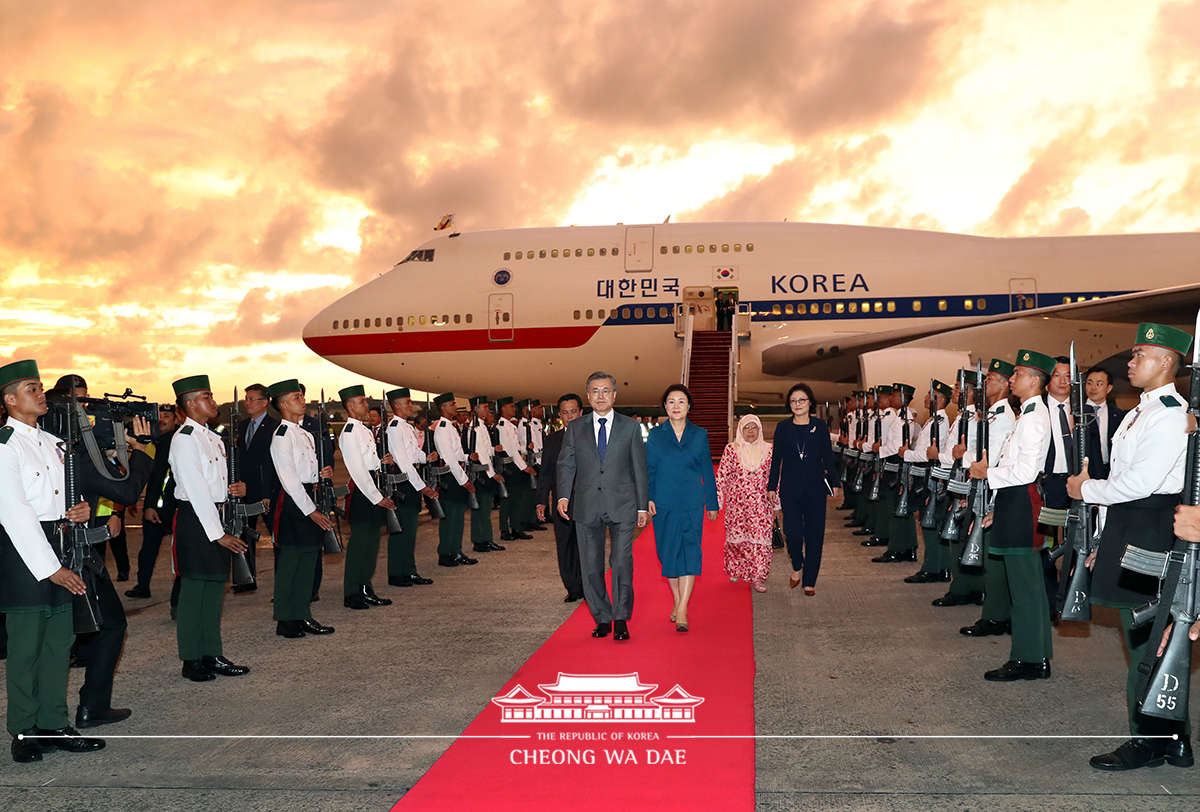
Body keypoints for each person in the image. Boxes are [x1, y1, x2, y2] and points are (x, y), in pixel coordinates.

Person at [1067, 323, 1194, 771]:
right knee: (1148, 637)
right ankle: (1176, 740)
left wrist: (1087, 490)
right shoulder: (1143, 410)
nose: (1130, 361)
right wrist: (1104, 535)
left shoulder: (1168, 414)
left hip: (1152, 527)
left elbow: (1141, 483)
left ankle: (1148, 740)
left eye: (1141, 354)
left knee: (1148, 642)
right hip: (1130, 526)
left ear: (1166, 363)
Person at [1, 360, 105, 761]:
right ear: (10, 400)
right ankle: (24, 730)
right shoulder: (5, 444)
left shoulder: (52, 441)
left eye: (41, 387)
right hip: (24, 553)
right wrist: (53, 569)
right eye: (32, 388)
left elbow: (62, 495)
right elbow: (15, 513)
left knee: (60, 643)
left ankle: (53, 722)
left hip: (60, 542)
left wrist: (78, 509)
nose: (42, 393)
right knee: (26, 646)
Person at [968, 349, 1054, 681]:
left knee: (1025, 589)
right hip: (1013, 503)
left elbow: (1026, 470)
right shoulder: (1028, 413)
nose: (1012, 379)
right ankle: (1037, 656)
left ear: (1034, 380)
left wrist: (986, 474)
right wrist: (996, 509)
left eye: (1018, 374)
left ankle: (1029, 660)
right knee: (1027, 586)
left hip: (1022, 503)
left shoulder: (1033, 417)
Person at [167, 375, 252, 681]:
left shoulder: (212, 437)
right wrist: (219, 534)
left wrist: (234, 489)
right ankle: (191, 659)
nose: (213, 401)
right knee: (195, 591)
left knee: (215, 589)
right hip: (197, 519)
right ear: (190, 404)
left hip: (217, 515)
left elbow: (214, 485)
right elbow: (196, 489)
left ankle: (211, 654)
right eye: (207, 396)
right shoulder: (185, 439)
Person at [556, 371, 649, 641]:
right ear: (588, 396)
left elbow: (639, 469)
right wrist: (563, 496)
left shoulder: (630, 427)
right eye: (595, 391)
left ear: (614, 396)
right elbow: (566, 463)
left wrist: (642, 506)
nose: (600, 396)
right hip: (586, 505)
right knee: (590, 565)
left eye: (605, 391)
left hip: (623, 504)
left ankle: (620, 617)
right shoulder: (575, 428)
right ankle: (602, 617)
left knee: (621, 562)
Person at [646, 384, 719, 632]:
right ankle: (677, 602)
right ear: (665, 406)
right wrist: (648, 497)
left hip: (692, 502)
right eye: (671, 402)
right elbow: (650, 470)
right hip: (664, 503)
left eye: (681, 402)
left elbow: (707, 469)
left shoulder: (699, 434)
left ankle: (683, 610)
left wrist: (712, 502)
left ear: (689, 407)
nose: (676, 406)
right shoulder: (656, 436)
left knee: (689, 553)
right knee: (668, 555)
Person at [267, 379, 336, 639]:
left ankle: (302, 614)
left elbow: (305, 472)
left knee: (308, 559)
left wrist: (321, 473)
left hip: (310, 495)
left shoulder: (304, 433)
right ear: (283, 405)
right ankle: (285, 619)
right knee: (291, 563)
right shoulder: (282, 436)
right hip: (295, 502)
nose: (303, 400)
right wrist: (311, 511)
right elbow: (290, 479)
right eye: (297, 398)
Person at [767, 383, 841, 594]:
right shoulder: (783, 428)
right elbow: (776, 460)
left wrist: (835, 482)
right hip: (790, 488)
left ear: (810, 403)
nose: (797, 404)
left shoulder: (819, 427)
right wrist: (772, 486)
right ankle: (797, 565)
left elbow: (827, 457)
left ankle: (810, 580)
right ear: (789, 404)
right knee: (793, 532)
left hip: (815, 488)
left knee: (815, 535)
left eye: (802, 400)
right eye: (793, 401)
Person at [337, 384, 395, 610]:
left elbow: (368, 463)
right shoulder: (350, 432)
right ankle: (352, 592)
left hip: (372, 486)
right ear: (350, 406)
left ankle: (365, 587)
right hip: (363, 492)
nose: (366, 405)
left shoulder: (362, 429)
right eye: (362, 402)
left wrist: (382, 462)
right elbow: (357, 470)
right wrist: (376, 497)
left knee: (371, 545)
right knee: (360, 546)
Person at [125, 403, 181, 599]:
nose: (162, 420)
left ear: (176, 419)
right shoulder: (149, 442)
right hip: (156, 505)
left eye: (167, 416)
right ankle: (143, 585)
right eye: (159, 416)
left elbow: (159, 476)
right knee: (148, 550)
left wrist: (149, 505)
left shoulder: (174, 440)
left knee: (181, 550)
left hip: (172, 506)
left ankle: (179, 592)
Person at [716, 415, 777, 593]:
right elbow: (722, 476)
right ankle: (737, 569)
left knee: (760, 540)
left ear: (760, 430)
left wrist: (778, 501)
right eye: (746, 428)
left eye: (754, 427)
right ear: (740, 430)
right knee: (737, 539)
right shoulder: (731, 449)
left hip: (761, 505)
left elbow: (775, 478)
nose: (750, 432)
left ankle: (758, 576)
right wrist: (717, 500)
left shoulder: (769, 450)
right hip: (737, 505)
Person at [383, 388, 435, 587]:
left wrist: (426, 457)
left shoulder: (406, 427)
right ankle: (397, 573)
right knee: (401, 530)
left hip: (412, 477)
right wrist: (422, 487)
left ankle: (409, 570)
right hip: (404, 481)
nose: (411, 405)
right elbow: (403, 462)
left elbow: (413, 453)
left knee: (411, 530)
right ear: (396, 405)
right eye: (407, 402)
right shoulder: (395, 427)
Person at [537, 393, 584, 602]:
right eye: (565, 412)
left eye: (573, 411)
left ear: (581, 413)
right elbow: (546, 472)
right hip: (561, 503)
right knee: (565, 546)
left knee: (586, 546)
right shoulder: (552, 440)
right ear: (559, 416)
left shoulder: (593, 437)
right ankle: (573, 588)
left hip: (587, 502)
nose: (569, 416)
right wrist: (541, 500)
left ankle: (589, 586)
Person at [232, 383, 278, 593]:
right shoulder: (240, 427)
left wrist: (266, 492)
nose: (247, 403)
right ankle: (246, 577)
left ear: (264, 402)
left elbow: (272, 463)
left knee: (277, 537)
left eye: (252, 399)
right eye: (246, 399)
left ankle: (282, 581)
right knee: (243, 535)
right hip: (243, 491)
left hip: (266, 491)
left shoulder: (275, 427)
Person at [431, 392, 477, 567]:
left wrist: (467, 457)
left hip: (456, 473)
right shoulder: (442, 428)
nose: (455, 407)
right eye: (452, 404)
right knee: (450, 517)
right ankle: (445, 553)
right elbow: (449, 458)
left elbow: (456, 453)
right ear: (443, 408)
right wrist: (464, 480)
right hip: (451, 477)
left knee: (458, 517)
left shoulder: (450, 426)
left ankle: (456, 551)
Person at [466, 396, 505, 554]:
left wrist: (494, 450)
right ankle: (480, 540)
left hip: (485, 470)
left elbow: (486, 449)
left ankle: (486, 539)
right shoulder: (475, 427)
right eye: (484, 407)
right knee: (481, 510)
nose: (487, 410)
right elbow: (480, 453)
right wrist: (492, 473)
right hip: (482, 473)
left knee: (485, 509)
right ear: (476, 409)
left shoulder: (481, 425)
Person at [1084, 367, 1126, 480]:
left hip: (1110, 471)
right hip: (1085, 471)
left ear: (1109, 388)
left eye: (1099, 384)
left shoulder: (1118, 415)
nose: (1093, 388)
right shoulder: (1077, 413)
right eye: (1089, 383)